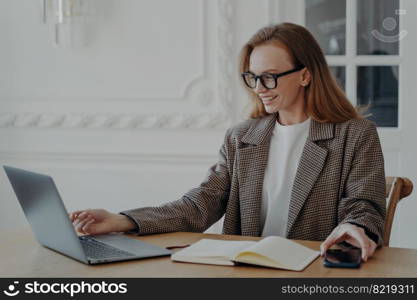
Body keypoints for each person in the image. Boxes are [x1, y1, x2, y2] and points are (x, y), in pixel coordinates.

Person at [70, 23, 386, 262]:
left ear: (305, 75)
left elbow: (365, 207)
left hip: (312, 270)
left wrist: (356, 227)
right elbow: (200, 205)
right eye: (252, 77)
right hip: (244, 271)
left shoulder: (354, 135)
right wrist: (122, 220)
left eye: (270, 76)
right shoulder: (242, 137)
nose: (260, 87)